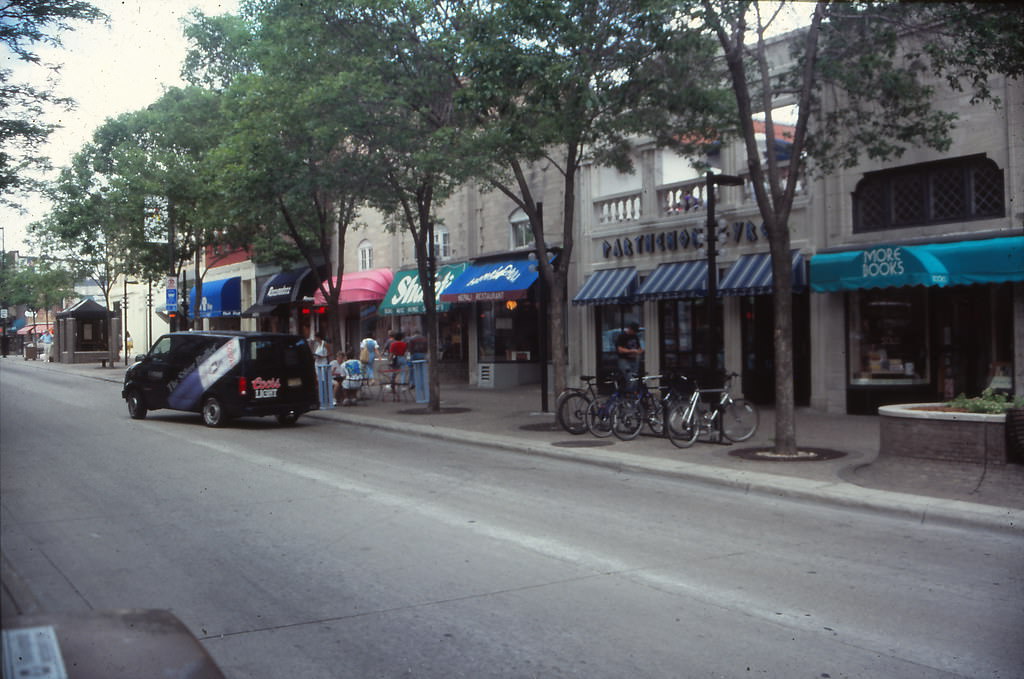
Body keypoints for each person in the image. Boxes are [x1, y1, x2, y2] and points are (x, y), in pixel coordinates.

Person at [615, 322, 643, 388]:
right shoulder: (622, 336)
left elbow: (638, 347)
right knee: (629, 376)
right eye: (634, 331)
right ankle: (629, 393)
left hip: (634, 359)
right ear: (630, 329)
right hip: (624, 360)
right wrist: (632, 351)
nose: (635, 333)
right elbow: (620, 349)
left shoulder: (635, 336)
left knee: (635, 377)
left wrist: (639, 351)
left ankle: (633, 392)